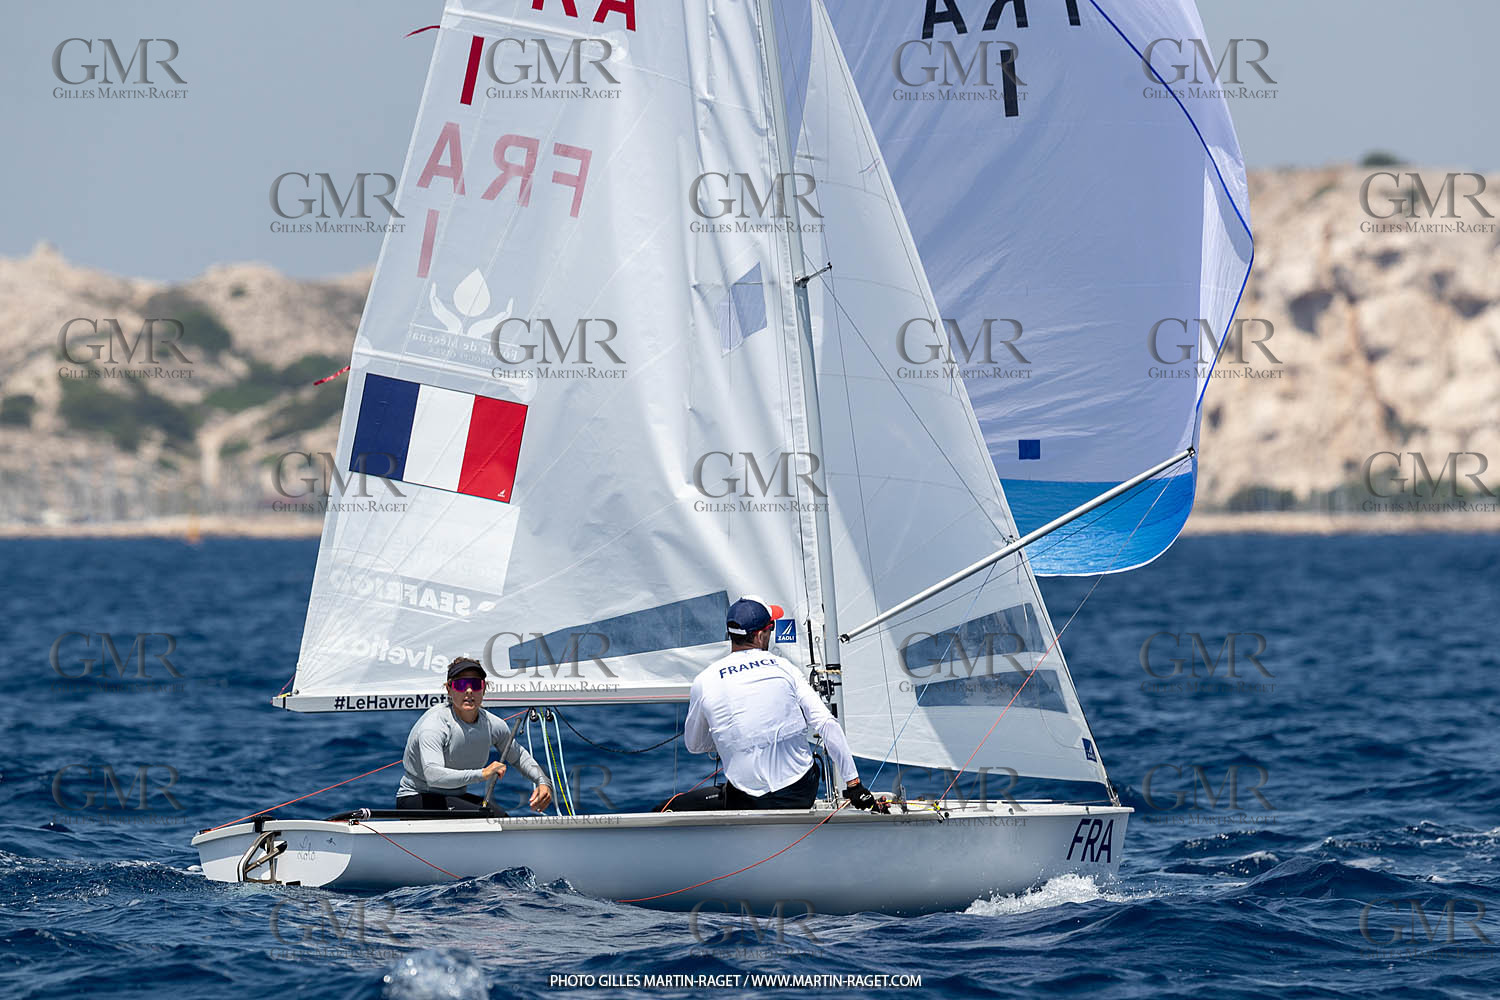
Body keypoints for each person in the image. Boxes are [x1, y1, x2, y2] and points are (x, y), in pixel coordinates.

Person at [683, 596, 880, 811]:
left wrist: (730, 736)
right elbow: (827, 724)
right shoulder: (785, 668)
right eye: (771, 629)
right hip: (798, 793)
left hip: (747, 800)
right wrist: (854, 785)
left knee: (667, 807)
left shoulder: (704, 679)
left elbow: (694, 745)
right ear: (759, 636)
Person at [395, 657, 554, 814]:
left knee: (501, 818)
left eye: (476, 684)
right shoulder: (435, 725)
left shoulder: (493, 725)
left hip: (453, 798)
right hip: (416, 798)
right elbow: (433, 776)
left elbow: (518, 756)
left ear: (484, 690)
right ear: (449, 689)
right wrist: (482, 774)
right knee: (489, 817)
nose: (469, 691)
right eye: (461, 684)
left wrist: (543, 782)